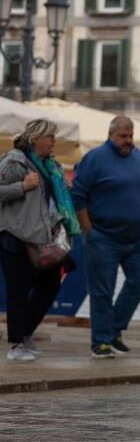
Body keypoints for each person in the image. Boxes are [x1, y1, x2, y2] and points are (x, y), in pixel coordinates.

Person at [71, 116, 140, 359]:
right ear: (111, 134)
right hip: (103, 237)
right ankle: (102, 341)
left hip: (138, 238)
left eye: (131, 135)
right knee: (102, 292)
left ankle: (114, 329)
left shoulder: (139, 157)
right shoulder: (95, 158)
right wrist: (89, 232)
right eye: (123, 136)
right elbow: (78, 196)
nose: (128, 140)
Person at [0, 119, 78, 363]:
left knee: (50, 286)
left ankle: (25, 333)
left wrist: (64, 188)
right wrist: (22, 186)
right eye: (50, 137)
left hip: (44, 237)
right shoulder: (15, 161)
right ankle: (15, 344)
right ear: (36, 139)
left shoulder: (50, 166)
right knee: (18, 290)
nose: (54, 141)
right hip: (15, 235)